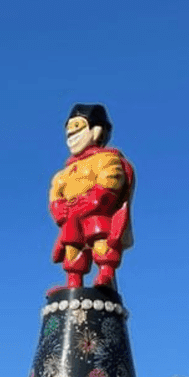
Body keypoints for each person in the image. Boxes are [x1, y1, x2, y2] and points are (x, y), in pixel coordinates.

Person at [48, 103, 134, 291]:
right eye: (69, 132)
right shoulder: (65, 172)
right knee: (72, 246)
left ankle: (106, 273)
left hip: (95, 213)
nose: (71, 136)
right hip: (72, 215)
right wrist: (59, 208)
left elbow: (111, 178)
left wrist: (97, 197)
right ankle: (73, 282)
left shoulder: (106, 159)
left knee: (101, 240)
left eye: (77, 128)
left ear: (96, 131)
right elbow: (56, 193)